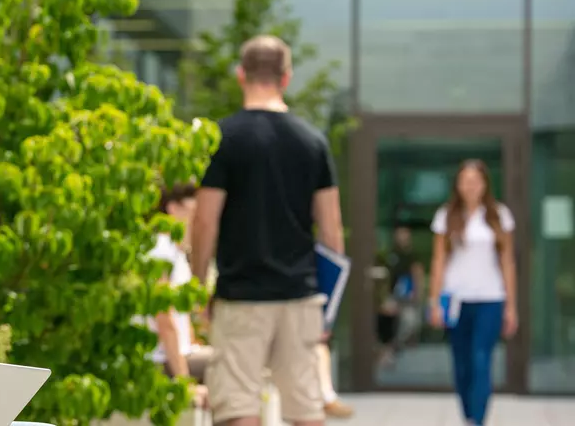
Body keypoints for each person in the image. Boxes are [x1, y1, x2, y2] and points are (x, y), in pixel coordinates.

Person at [189, 35, 345, 426]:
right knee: (306, 409)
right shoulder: (313, 142)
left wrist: (197, 286)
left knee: (239, 407)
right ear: (286, 78)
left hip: (242, 296)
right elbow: (331, 229)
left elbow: (205, 220)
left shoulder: (222, 139)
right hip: (300, 295)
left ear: (241, 75)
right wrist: (328, 303)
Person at [428, 159, 518, 426]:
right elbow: (438, 261)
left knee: (481, 359)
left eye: (475, 181)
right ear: (457, 184)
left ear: (485, 184)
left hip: (491, 298)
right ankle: (468, 414)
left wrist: (511, 305)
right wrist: (434, 301)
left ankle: (477, 421)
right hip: (456, 299)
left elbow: (507, 262)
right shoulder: (446, 216)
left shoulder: (500, 215)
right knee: (461, 364)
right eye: (465, 181)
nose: (470, 186)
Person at [142, 183, 211, 408]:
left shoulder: (174, 251)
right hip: (158, 359)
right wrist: (184, 383)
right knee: (234, 365)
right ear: (173, 207)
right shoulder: (159, 249)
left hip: (179, 353)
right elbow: (164, 319)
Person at [377, 225, 425, 367]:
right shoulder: (391, 254)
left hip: (408, 296)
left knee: (409, 322)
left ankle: (396, 350)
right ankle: (387, 351)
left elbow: (418, 273)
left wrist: (418, 293)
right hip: (393, 295)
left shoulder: (412, 255)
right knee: (388, 321)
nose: (401, 237)